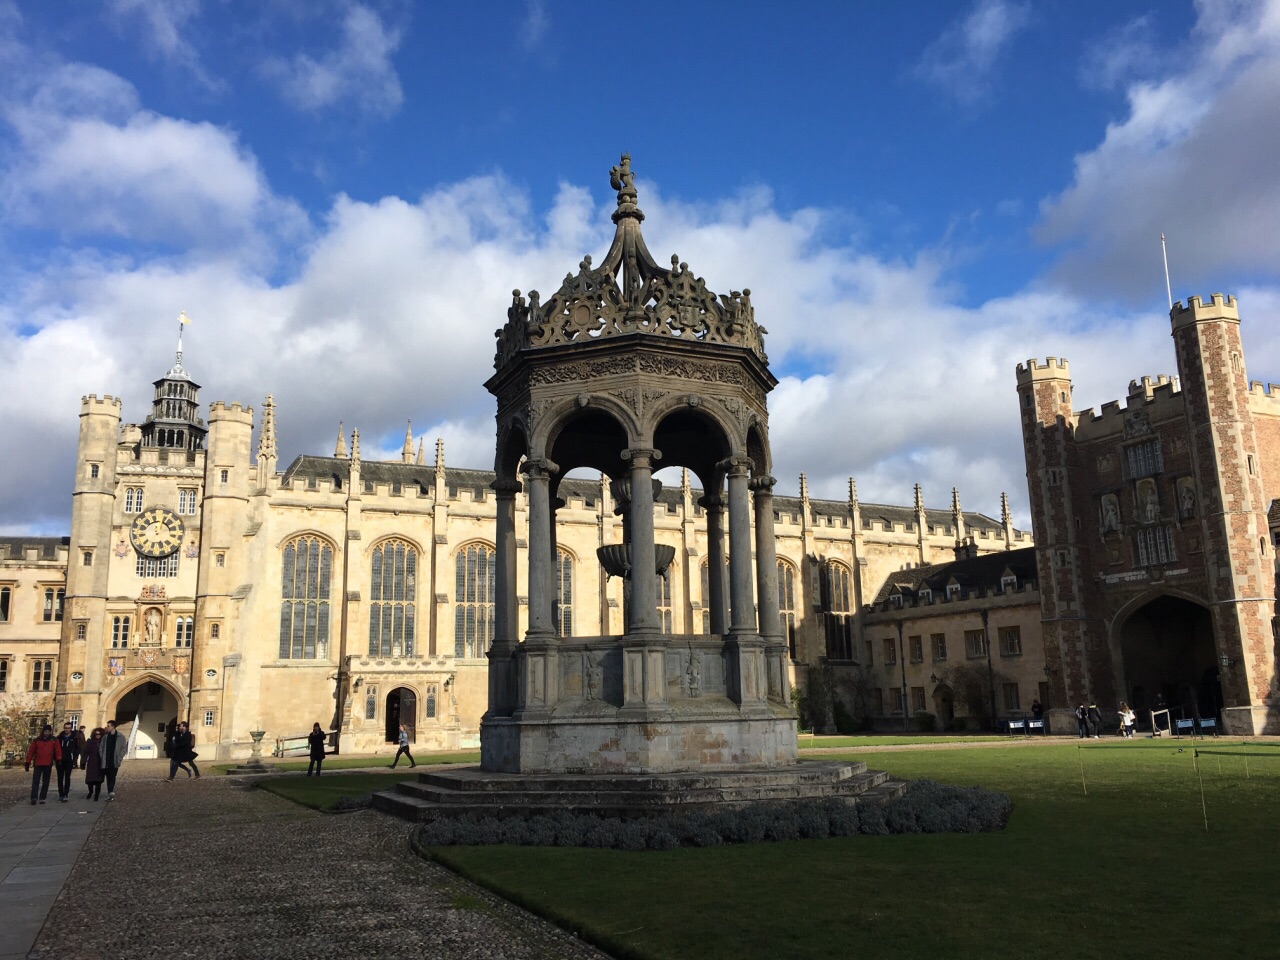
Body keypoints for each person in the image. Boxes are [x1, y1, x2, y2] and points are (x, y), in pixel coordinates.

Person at [25, 724, 62, 805]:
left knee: (45, 781)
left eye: (48, 731)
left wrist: (58, 759)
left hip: (48, 763)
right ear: (43, 731)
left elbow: (58, 750)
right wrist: (27, 762)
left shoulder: (54, 740)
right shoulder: (37, 740)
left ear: (50, 732)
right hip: (38, 763)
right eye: (45, 731)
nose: (47, 733)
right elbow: (31, 751)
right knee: (35, 781)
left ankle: (42, 797)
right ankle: (34, 797)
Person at [99, 719, 127, 800]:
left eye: (108, 726)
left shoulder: (120, 737)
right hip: (106, 760)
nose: (107, 728)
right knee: (108, 777)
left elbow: (124, 748)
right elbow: (101, 748)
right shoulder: (105, 737)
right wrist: (102, 756)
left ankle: (111, 791)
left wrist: (120, 757)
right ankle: (110, 792)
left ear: (113, 727)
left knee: (113, 776)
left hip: (115, 760)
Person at [55, 722, 80, 802]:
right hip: (60, 760)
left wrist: (74, 758)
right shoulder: (59, 737)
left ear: (71, 729)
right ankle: (61, 794)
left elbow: (77, 749)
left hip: (69, 760)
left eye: (68, 728)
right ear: (64, 728)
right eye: (66, 728)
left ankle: (66, 794)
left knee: (67, 777)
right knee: (60, 778)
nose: (67, 729)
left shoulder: (74, 738)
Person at [83, 727, 105, 800]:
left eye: (99, 734)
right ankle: (90, 791)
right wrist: (83, 762)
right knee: (90, 780)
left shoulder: (104, 742)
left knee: (98, 781)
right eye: (96, 734)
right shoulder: (90, 742)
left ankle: (96, 795)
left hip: (100, 763)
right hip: (92, 762)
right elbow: (86, 752)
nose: (98, 735)